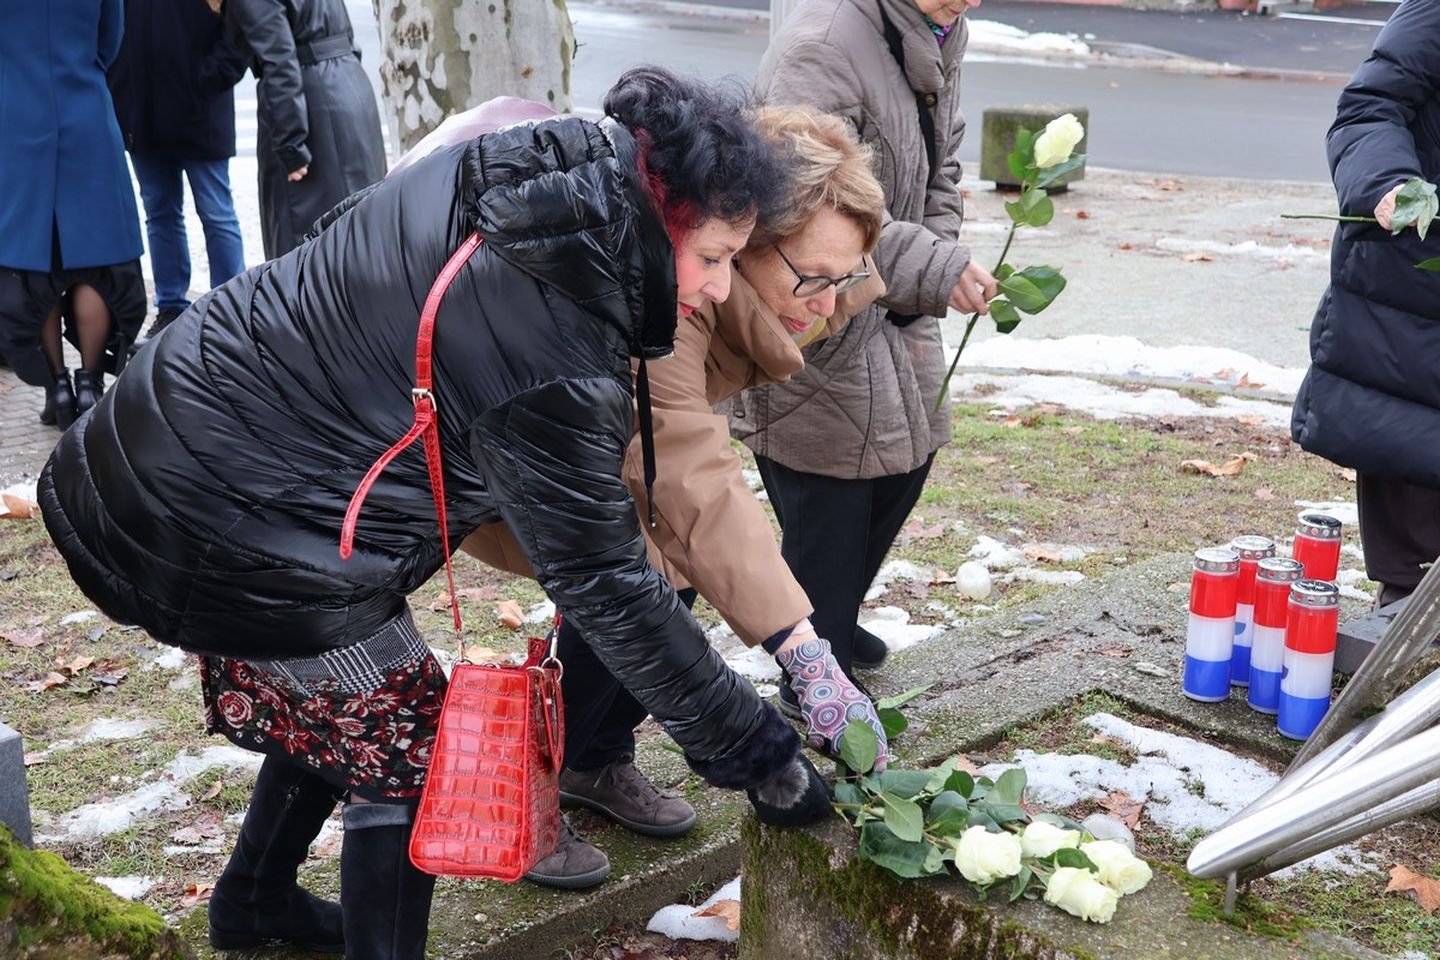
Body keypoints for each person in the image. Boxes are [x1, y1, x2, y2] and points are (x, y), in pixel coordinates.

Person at [40, 68, 832, 960]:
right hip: (211, 510)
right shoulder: (553, 339)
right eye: (714, 258)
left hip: (177, 434)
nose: (721, 290)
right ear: (660, 212)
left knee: (340, 695)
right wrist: (758, 754)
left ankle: (254, 902)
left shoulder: (528, 171)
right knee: (410, 744)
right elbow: (605, 582)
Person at [461, 104, 893, 887]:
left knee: (674, 568)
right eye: (815, 282)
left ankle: (594, 758)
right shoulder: (672, 290)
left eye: (847, 278)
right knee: (627, 582)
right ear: (741, 240)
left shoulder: (765, 270)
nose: (829, 305)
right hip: (517, 451)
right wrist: (802, 649)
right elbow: (691, 469)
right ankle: (521, 793)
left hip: (616, 442)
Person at [730, 0, 996, 712]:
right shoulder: (821, 44)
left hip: (893, 293)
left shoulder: (938, 27)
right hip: (818, 301)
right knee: (831, 492)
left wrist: (937, 252)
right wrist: (926, 262)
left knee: (906, 465)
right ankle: (814, 669)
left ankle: (828, 618)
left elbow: (944, 162)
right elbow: (799, 209)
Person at [1291, 0, 1440, 611]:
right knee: (1410, 446)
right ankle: (1405, 611)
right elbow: (1367, 110)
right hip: (1416, 268)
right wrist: (1388, 184)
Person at [0, 0, 146, 430]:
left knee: (35, 260)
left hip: (16, 116)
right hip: (86, 113)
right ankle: (89, 384)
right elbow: (110, 42)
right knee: (94, 257)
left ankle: (58, 389)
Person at [109, 0, 250, 342]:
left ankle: (232, 312)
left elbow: (241, 34)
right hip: (143, 116)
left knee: (216, 213)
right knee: (160, 213)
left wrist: (202, 82)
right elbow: (109, 34)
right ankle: (171, 308)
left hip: (200, 114)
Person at [227, 0, 386, 258]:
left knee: (309, 249)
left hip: (309, 104)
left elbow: (277, 58)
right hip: (349, 86)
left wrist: (291, 143)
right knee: (362, 234)